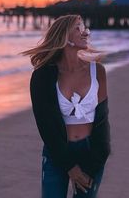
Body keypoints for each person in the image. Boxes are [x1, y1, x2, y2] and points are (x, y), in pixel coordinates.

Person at [22, 14, 110, 198]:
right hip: (57, 152)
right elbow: (46, 125)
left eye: (84, 27)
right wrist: (69, 166)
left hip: (91, 152)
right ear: (65, 37)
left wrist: (97, 160)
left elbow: (102, 121)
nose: (85, 32)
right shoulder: (42, 77)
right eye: (78, 28)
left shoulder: (97, 71)